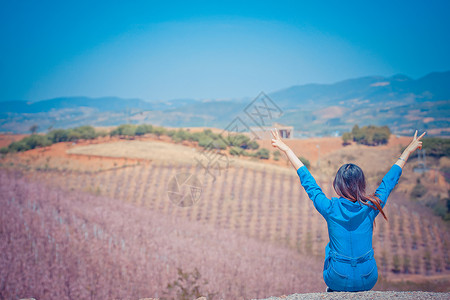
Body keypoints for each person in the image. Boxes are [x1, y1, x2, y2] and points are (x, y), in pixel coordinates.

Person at [270, 129, 426, 292]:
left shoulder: (330, 208)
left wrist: (287, 150)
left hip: (337, 278)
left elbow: (308, 182)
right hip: (368, 277)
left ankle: (335, 291)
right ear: (361, 184)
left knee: (330, 248)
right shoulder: (372, 206)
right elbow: (389, 181)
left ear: (338, 186)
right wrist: (408, 150)